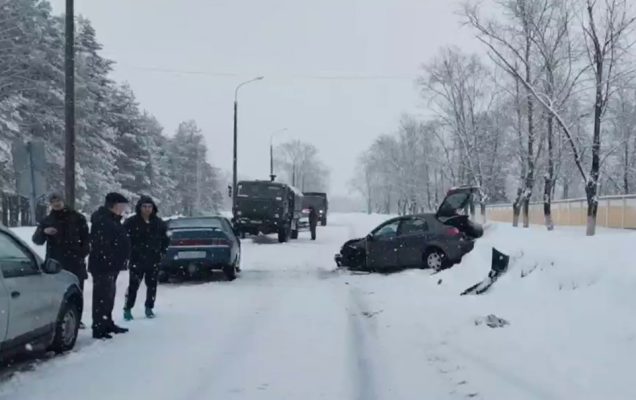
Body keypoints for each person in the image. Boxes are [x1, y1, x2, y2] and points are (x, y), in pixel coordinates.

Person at [32, 192, 90, 328]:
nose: (56, 203)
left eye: (58, 200)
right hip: (55, 263)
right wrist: (44, 231)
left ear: (63, 201)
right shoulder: (47, 220)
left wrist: (82, 253)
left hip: (75, 262)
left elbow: (87, 239)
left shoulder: (77, 218)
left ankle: (76, 320)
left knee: (76, 292)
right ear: (50, 204)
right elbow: (37, 240)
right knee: (56, 294)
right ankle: (56, 320)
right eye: (53, 201)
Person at [88, 192, 131, 339]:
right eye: (122, 206)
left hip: (111, 265)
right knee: (101, 297)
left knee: (109, 296)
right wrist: (112, 258)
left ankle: (107, 322)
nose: (124, 209)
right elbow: (102, 244)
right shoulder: (102, 220)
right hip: (103, 265)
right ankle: (99, 327)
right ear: (114, 205)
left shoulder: (112, 219)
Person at [123, 195, 169, 320]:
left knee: (152, 285)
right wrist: (127, 253)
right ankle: (128, 308)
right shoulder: (132, 222)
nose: (147, 209)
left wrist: (162, 251)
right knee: (134, 285)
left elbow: (166, 238)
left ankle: (149, 307)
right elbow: (123, 238)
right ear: (140, 207)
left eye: (149, 206)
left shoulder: (158, 223)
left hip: (153, 258)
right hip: (136, 258)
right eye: (144, 206)